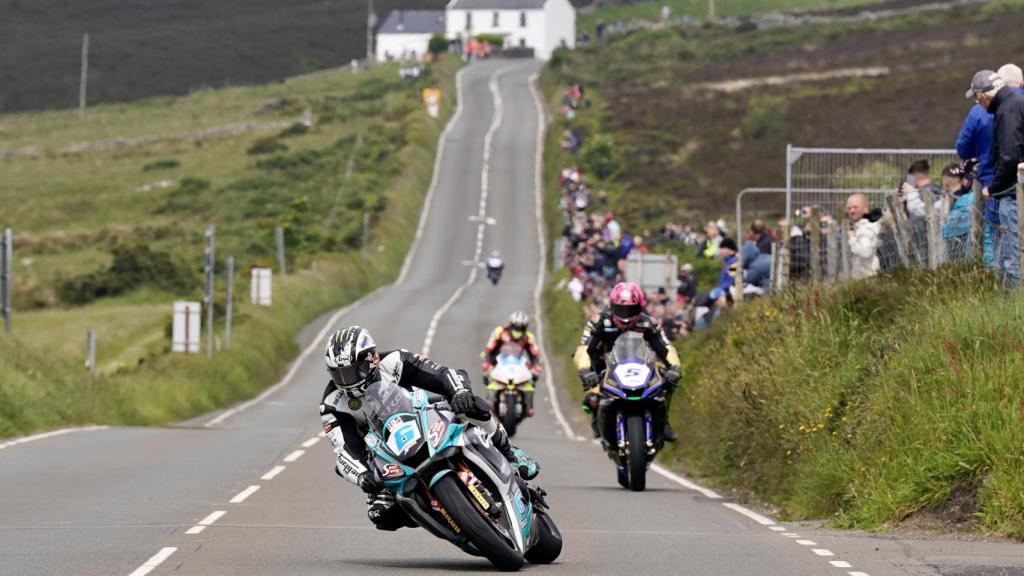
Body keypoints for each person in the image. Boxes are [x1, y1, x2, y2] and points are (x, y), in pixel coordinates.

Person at [319, 326, 538, 531]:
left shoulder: (395, 361)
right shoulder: (332, 403)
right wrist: (363, 476)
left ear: (371, 360)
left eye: (351, 373)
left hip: (423, 416)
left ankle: (510, 453)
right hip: (385, 455)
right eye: (338, 375)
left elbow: (444, 374)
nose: (346, 382)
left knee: (474, 406)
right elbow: (343, 450)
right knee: (381, 515)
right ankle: (447, 517)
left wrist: (460, 392)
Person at [573, 282, 682, 441]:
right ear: (611, 306)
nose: (625, 317)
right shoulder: (599, 322)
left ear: (640, 307)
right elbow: (583, 349)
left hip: (641, 366)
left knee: (669, 382)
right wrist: (585, 370)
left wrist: (675, 367)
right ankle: (598, 417)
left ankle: (664, 420)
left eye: (630, 310)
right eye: (621, 309)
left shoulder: (648, 323)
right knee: (592, 400)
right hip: (603, 366)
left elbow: (666, 347)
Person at [970, 68, 1024, 288]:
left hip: (1012, 194)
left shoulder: (1007, 110)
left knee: (1013, 257)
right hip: (1015, 190)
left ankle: (1016, 310)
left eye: (977, 99)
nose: (979, 104)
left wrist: (992, 187)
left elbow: (1010, 155)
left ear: (984, 97)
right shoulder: (1015, 102)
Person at [481, 311, 543, 416]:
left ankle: (529, 405)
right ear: (510, 324)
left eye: (521, 328)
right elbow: (490, 348)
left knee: (533, 377)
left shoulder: (528, 337)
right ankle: (489, 399)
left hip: (519, 362)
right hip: (500, 361)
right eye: (515, 327)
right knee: (487, 372)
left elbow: (534, 353)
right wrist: (488, 361)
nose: (517, 330)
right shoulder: (499, 332)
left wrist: (535, 365)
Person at [899, 159, 944, 267]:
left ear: (916, 175)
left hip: (926, 237)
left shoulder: (930, 191)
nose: (909, 182)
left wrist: (911, 192)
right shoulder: (920, 192)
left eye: (910, 178)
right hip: (919, 237)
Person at [941, 160, 977, 264]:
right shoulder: (973, 197)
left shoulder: (955, 202)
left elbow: (947, 232)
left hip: (957, 250)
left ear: (946, 183)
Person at [845, 193, 881, 279]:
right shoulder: (861, 225)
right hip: (863, 277)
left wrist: (852, 239)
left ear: (865, 209)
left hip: (869, 277)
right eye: (849, 208)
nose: (851, 211)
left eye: (855, 207)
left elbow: (865, 253)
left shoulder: (867, 227)